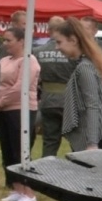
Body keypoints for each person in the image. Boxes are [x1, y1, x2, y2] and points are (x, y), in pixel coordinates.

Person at [50, 18, 102, 153]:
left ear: (73, 40)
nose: (56, 47)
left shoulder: (85, 68)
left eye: (59, 42)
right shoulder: (95, 63)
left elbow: (92, 105)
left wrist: (92, 144)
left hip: (97, 139)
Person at [0, 26, 41, 201]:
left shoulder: (30, 61)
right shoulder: (4, 60)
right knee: (8, 151)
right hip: (3, 110)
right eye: (4, 40)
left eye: (9, 40)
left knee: (20, 150)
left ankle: (29, 193)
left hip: (20, 109)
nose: (5, 44)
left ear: (21, 41)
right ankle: (17, 189)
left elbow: (19, 87)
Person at [30, 25, 75, 159]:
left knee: (50, 140)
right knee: (76, 140)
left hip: (48, 99)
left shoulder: (37, 51)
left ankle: (47, 168)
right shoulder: (72, 52)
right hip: (70, 100)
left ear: (49, 31)